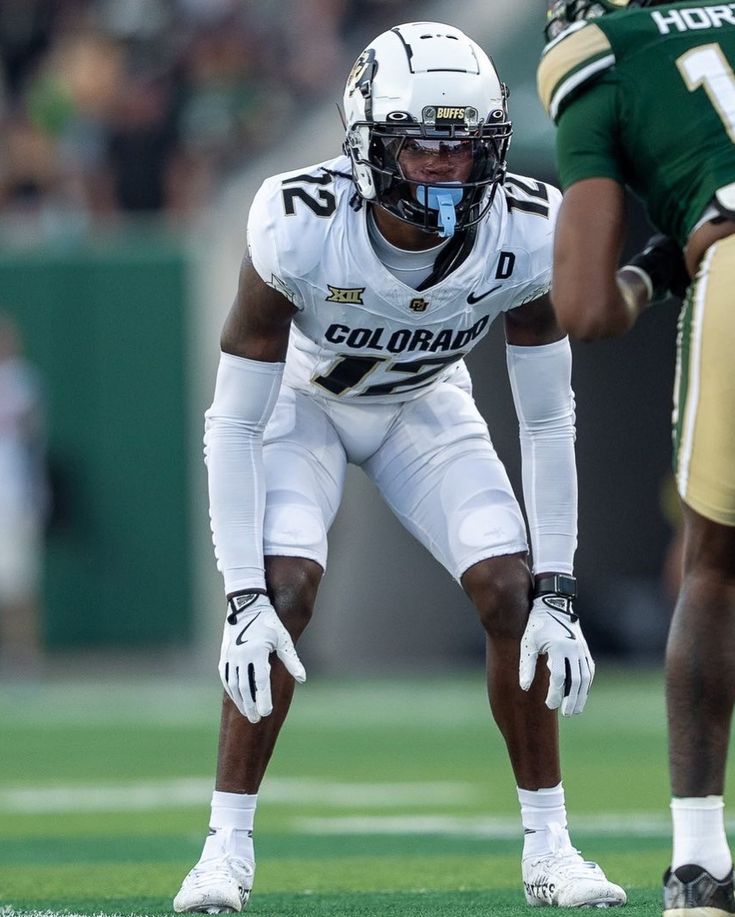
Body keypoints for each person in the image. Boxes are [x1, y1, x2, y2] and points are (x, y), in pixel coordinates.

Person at [174, 21, 626, 913]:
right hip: (302, 407)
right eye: (421, 145)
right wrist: (239, 597)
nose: (446, 169)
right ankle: (222, 850)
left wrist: (561, 582)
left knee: (511, 591)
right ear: (369, 142)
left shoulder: (529, 229)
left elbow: (546, 416)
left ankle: (551, 848)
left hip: (423, 406)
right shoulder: (299, 224)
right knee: (285, 595)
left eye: (465, 149)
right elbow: (232, 421)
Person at [537, 2, 735, 913]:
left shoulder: (596, 55)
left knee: (714, 569)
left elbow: (580, 309)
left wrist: (656, 269)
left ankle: (699, 862)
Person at [0, 313, 48, 679]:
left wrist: (37, 493)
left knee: (19, 583)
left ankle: (24, 661)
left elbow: (34, 442)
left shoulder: (21, 382)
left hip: (13, 494)